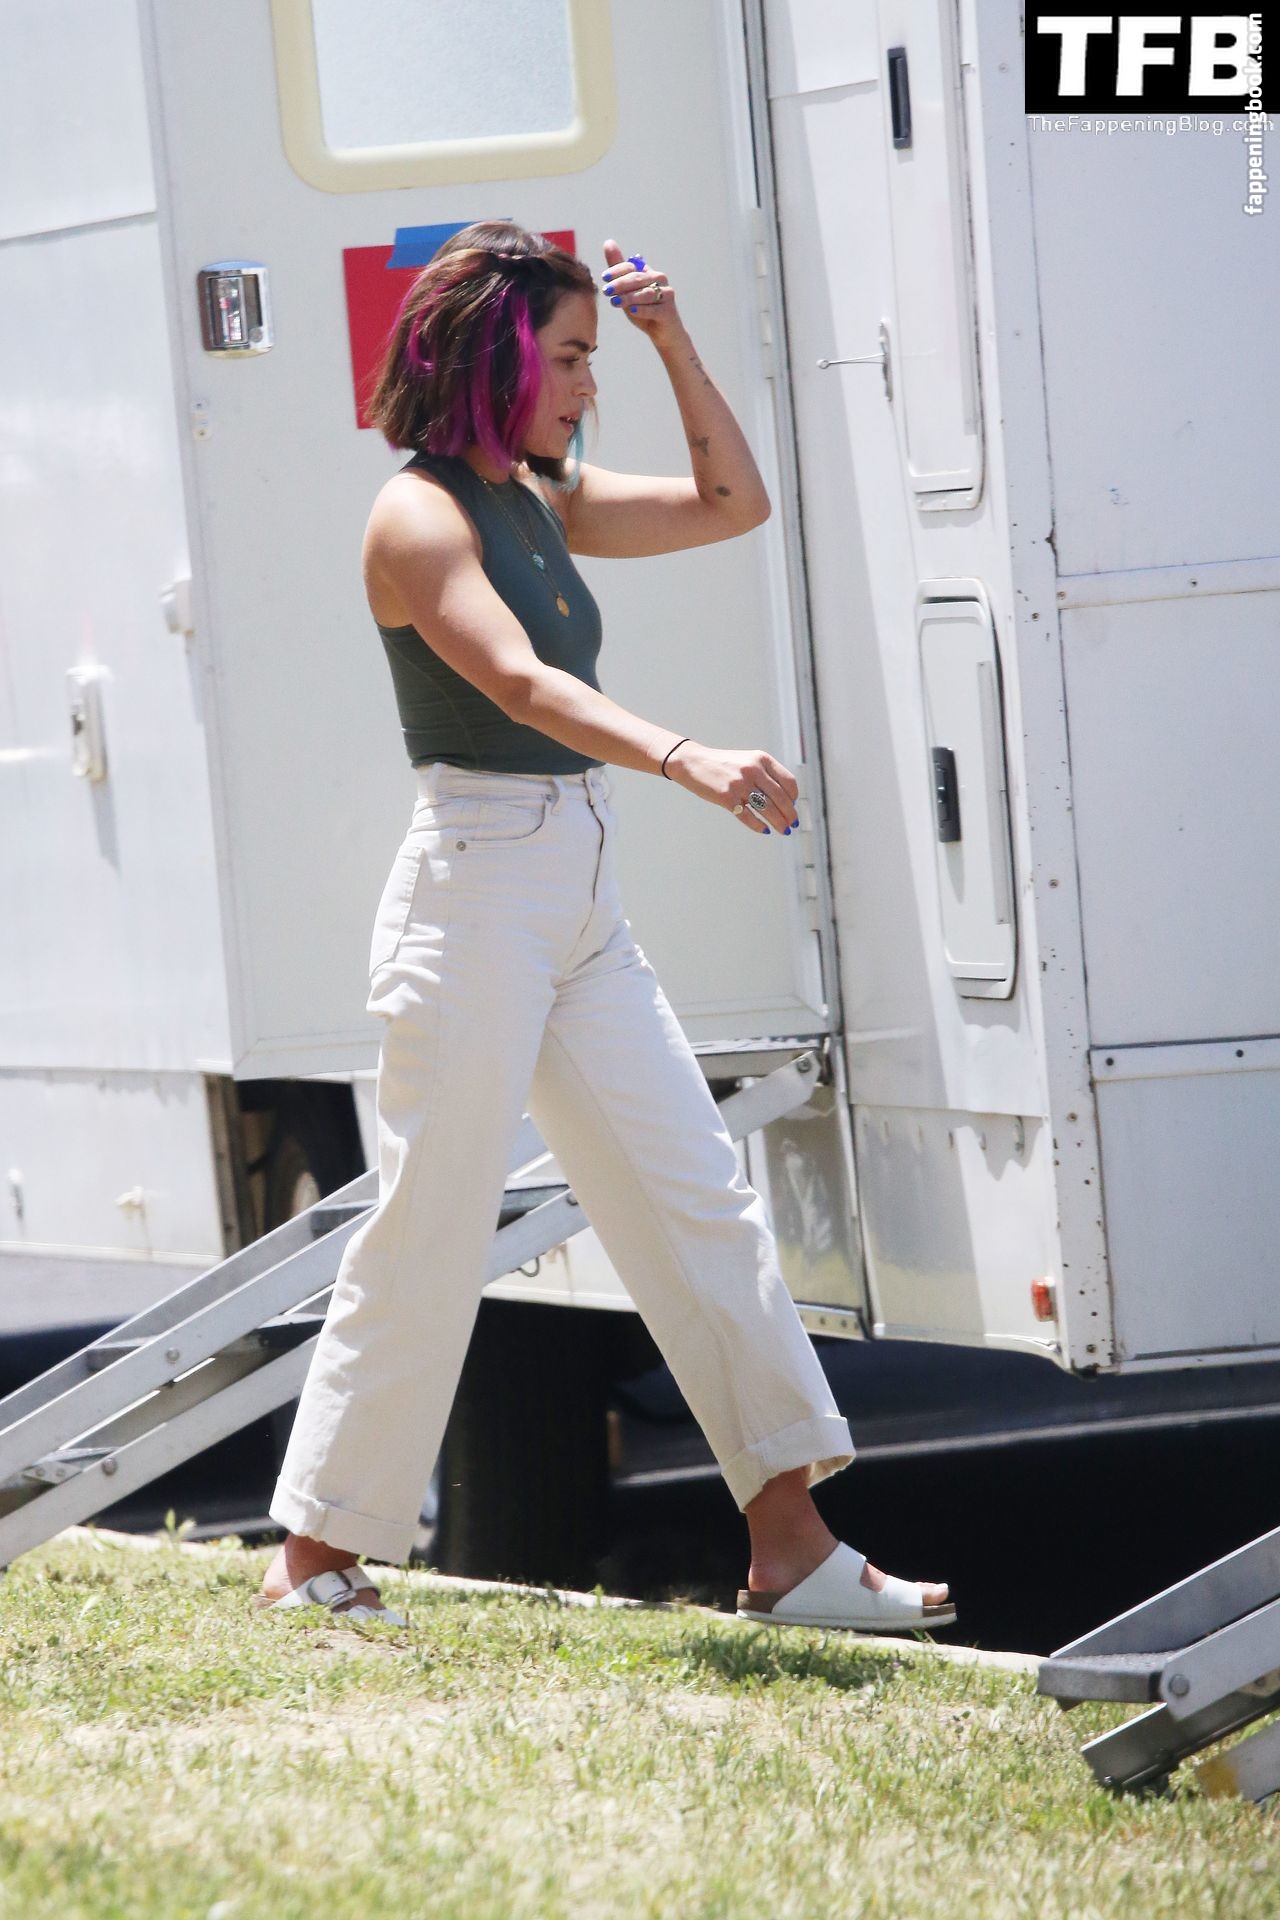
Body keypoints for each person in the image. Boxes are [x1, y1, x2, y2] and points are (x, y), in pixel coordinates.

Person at [254, 220, 953, 1635]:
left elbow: (733, 502)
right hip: (475, 891)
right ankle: (313, 1555)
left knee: (694, 1198)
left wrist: (670, 337)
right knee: (434, 1222)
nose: (587, 384)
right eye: (569, 357)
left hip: (576, 888)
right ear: (497, 356)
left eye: (592, 356)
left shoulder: (538, 498)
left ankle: (793, 1553)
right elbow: (517, 682)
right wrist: (687, 756)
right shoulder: (419, 515)